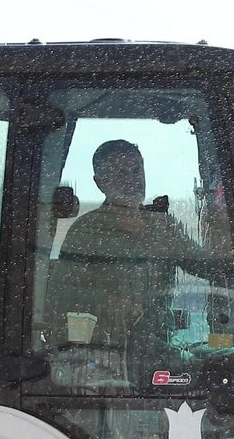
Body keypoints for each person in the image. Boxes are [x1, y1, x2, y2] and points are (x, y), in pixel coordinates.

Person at [49, 139, 212, 353]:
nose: (132, 180)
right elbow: (59, 296)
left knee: (227, 354)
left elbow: (204, 265)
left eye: (136, 171)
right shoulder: (86, 232)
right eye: (121, 173)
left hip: (164, 343)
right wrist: (106, 302)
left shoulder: (162, 227)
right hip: (108, 350)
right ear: (100, 182)